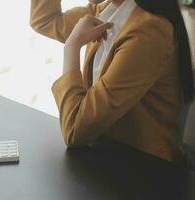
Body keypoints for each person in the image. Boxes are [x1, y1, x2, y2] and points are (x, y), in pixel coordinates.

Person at [30, 0, 194, 163]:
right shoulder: (106, 10)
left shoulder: (148, 31)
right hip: (105, 156)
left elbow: (75, 129)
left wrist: (72, 47)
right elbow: (44, 19)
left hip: (143, 170)